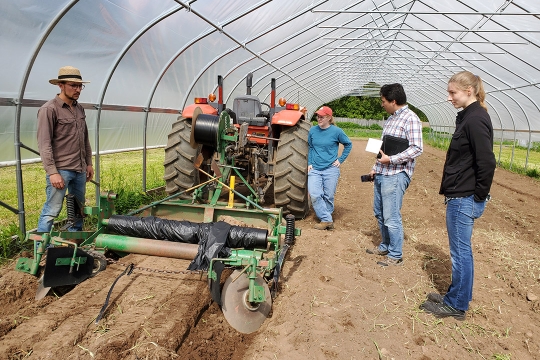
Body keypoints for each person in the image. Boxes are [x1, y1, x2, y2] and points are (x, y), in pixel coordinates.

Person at [420, 71, 496, 320]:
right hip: (461, 194)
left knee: (460, 252)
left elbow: (487, 162)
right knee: (460, 250)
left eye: (453, 92)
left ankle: (457, 305)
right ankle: (455, 295)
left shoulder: (475, 119)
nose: (449, 97)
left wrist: (478, 197)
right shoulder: (469, 116)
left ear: (469, 91)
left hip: (465, 197)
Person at [365, 83, 423, 266]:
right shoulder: (390, 119)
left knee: (391, 215)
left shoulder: (410, 118)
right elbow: (383, 148)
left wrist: (392, 160)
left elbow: (416, 148)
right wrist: (376, 167)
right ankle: (385, 245)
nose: (382, 104)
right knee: (380, 213)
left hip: (396, 174)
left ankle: (395, 255)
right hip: (383, 172)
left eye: (383, 101)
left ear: (394, 101)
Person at [36, 66, 94, 232]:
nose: (78, 90)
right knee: (52, 210)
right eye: (73, 86)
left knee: (77, 209)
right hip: (61, 170)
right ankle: (41, 248)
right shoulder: (49, 109)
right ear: (60, 85)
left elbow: (85, 139)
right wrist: (52, 172)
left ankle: (73, 244)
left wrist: (88, 163)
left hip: (80, 169)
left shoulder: (79, 108)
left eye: (80, 86)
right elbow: (44, 144)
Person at [308, 106, 352, 230]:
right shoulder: (312, 131)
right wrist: (310, 163)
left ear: (329, 117)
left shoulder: (336, 131)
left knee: (328, 196)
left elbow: (348, 144)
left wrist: (340, 160)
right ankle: (327, 219)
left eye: (322, 116)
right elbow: (310, 147)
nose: (319, 118)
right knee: (315, 194)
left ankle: (325, 218)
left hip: (331, 169)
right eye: (318, 116)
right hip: (315, 168)